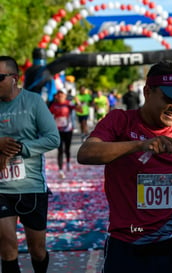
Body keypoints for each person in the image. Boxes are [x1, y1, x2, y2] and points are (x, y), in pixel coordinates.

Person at [77, 60, 172, 273]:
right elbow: (86, 153)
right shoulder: (120, 121)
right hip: (127, 242)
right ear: (147, 92)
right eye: (169, 98)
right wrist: (139, 145)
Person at [0, 56, 60, 273]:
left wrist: (21, 148)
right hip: (1, 188)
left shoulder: (33, 102)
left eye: (0, 78)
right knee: (7, 249)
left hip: (31, 187)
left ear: (14, 78)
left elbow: (53, 138)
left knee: (37, 250)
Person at [49, 88, 81, 179]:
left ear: (65, 95)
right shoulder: (54, 105)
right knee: (60, 150)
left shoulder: (68, 104)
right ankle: (60, 169)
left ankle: (68, 162)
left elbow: (80, 111)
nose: (59, 96)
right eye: (58, 94)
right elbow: (47, 116)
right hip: (57, 131)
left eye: (61, 94)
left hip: (68, 129)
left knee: (67, 149)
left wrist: (77, 102)